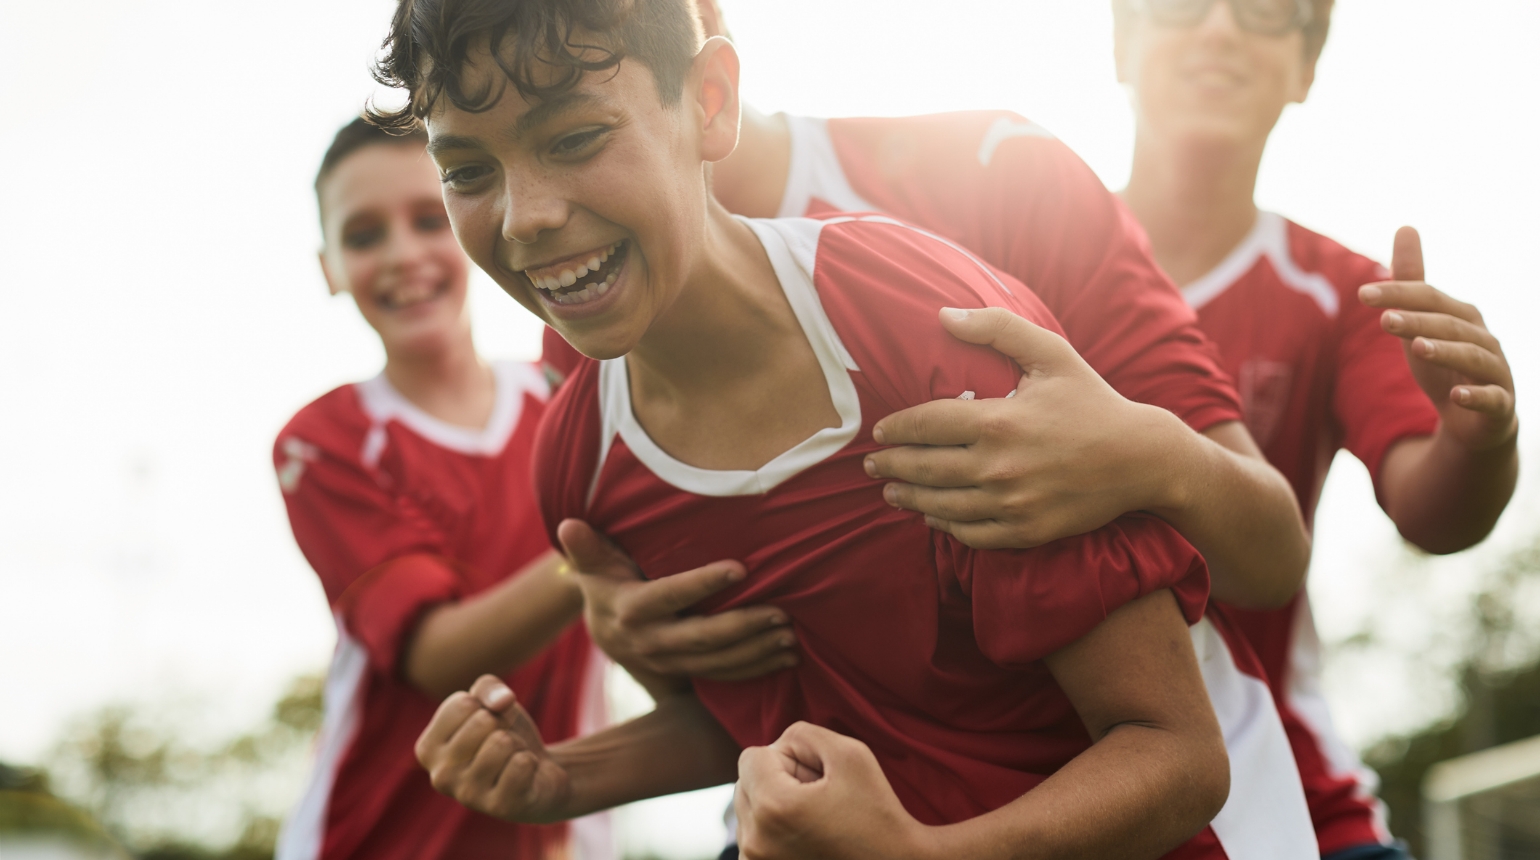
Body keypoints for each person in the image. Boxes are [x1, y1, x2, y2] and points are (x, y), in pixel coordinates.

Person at [389, 0, 1239, 856]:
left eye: (573, 139)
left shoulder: (925, 328)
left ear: (710, 102)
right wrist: (566, 777)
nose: (523, 216)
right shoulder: (582, 466)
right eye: (466, 172)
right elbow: (748, 722)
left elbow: (1177, 755)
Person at [785, 1, 1518, 857]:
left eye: (1264, 12)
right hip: (996, 781)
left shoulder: (1340, 292)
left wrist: (1480, 436)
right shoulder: (972, 250)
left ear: (1307, 67)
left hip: (1277, 788)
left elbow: (1433, 514)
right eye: (1180, 6)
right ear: (1120, 47)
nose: (1217, 30)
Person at [271, 118, 609, 860]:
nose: (404, 254)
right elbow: (437, 658)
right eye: (363, 235)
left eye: (430, 219)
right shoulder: (321, 441)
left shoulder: (573, 395)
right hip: (370, 842)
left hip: (564, 839)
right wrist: (607, 541)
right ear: (328, 266)